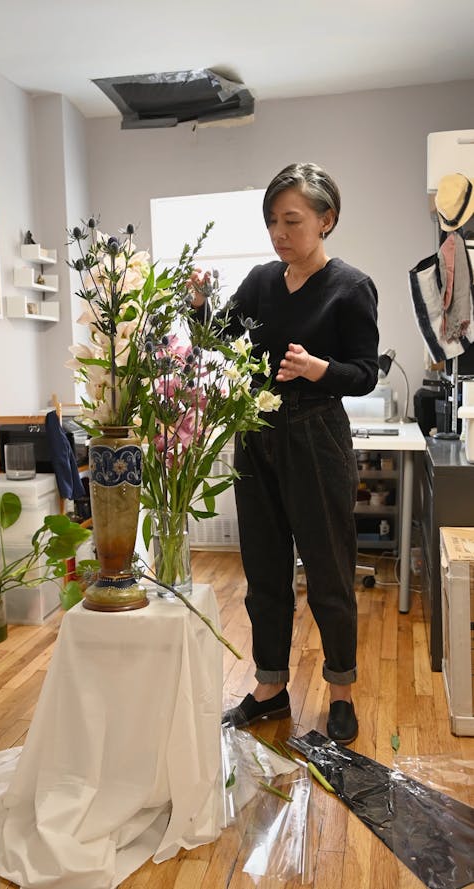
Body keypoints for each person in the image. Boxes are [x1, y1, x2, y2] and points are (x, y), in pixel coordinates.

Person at [192, 162, 379, 743]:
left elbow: (365, 374)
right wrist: (199, 306)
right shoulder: (258, 283)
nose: (279, 232)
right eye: (272, 221)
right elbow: (215, 338)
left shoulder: (351, 287)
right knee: (264, 569)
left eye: (291, 220)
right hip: (258, 433)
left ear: (327, 219)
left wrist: (320, 369)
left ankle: (341, 691)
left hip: (318, 436)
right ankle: (270, 687)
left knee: (328, 570)